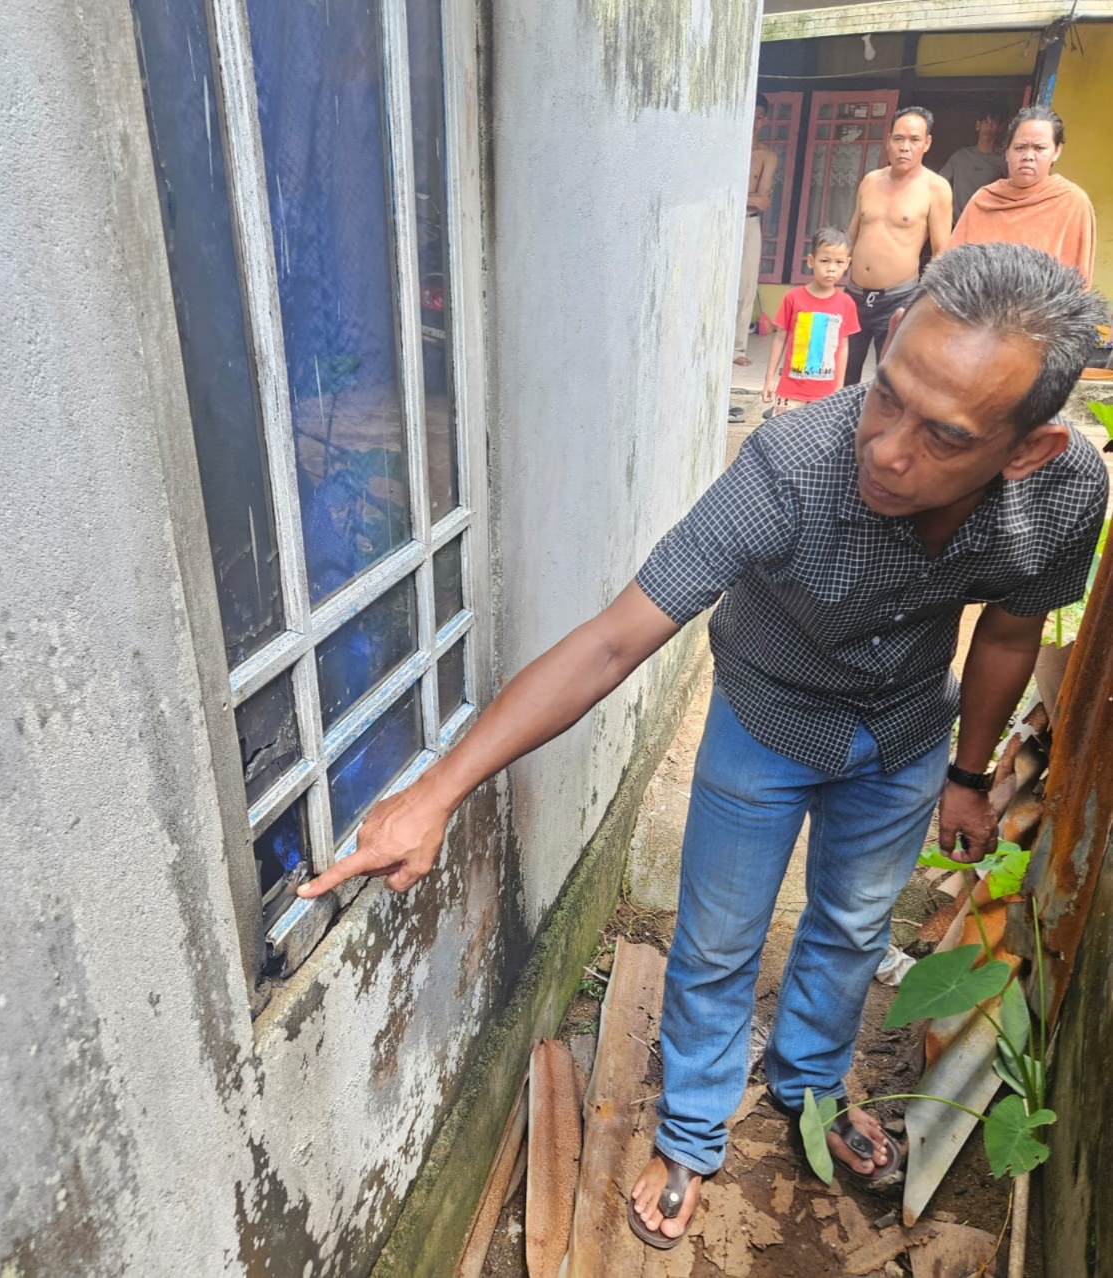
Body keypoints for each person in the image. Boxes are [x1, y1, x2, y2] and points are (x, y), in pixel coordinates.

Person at [297, 244, 1108, 1249]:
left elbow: (1012, 634)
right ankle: (690, 1132)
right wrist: (437, 792)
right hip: (765, 723)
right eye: (886, 395)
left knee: (855, 927)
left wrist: (969, 775)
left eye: (942, 435)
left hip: (904, 731)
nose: (887, 450)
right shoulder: (792, 465)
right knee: (718, 942)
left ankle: (811, 1085)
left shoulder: (1065, 494)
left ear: (1027, 449)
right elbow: (612, 641)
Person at [844, 107, 952, 386]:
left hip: (898, 298)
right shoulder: (870, 181)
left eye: (914, 140)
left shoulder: (936, 188)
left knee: (890, 380)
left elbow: (942, 253)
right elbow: (852, 234)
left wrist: (930, 304)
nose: (905, 147)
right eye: (898, 139)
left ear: (927, 143)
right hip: (853, 295)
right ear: (888, 140)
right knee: (843, 374)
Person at [949, 105, 1096, 287]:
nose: (1028, 156)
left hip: (1041, 305)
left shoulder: (1071, 203)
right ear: (1006, 151)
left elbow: (1078, 283)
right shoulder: (984, 200)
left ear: (1057, 151)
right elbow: (951, 269)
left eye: (1039, 148)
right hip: (978, 304)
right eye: (1020, 148)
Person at [761, 226, 859, 413]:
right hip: (790, 391)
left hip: (826, 395)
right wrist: (768, 379)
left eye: (839, 262)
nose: (831, 268)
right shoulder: (793, 297)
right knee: (784, 432)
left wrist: (839, 388)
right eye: (825, 261)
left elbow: (843, 347)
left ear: (847, 264)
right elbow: (779, 339)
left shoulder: (846, 303)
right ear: (811, 261)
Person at [733, 96, 780, 368]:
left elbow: (762, 202)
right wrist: (748, 197)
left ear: (765, 120)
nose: (754, 121)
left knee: (746, 286)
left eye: (759, 116)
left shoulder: (767, 156)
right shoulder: (726, 149)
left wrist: (732, 197)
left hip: (748, 223)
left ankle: (736, 348)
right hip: (721, 223)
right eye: (750, 114)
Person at [937, 105, 1008, 223]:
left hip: (985, 223)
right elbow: (938, 184)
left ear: (1000, 128)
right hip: (956, 224)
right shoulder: (960, 156)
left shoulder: (1003, 160)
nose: (989, 126)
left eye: (994, 122)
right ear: (978, 125)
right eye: (985, 122)